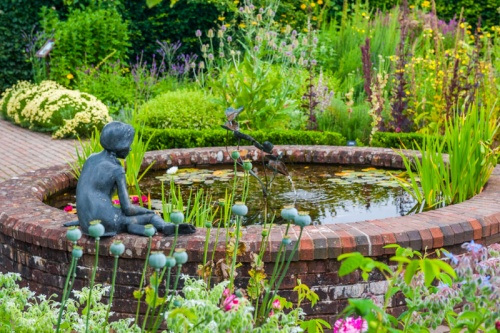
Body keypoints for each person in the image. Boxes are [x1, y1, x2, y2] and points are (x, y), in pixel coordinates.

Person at [68, 121, 195, 237]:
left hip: (87, 222)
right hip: (105, 223)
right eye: (128, 144)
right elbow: (128, 209)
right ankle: (165, 227)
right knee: (150, 217)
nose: (130, 148)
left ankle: (131, 226)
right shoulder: (116, 170)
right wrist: (148, 211)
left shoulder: (91, 158)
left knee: (123, 217)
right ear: (120, 146)